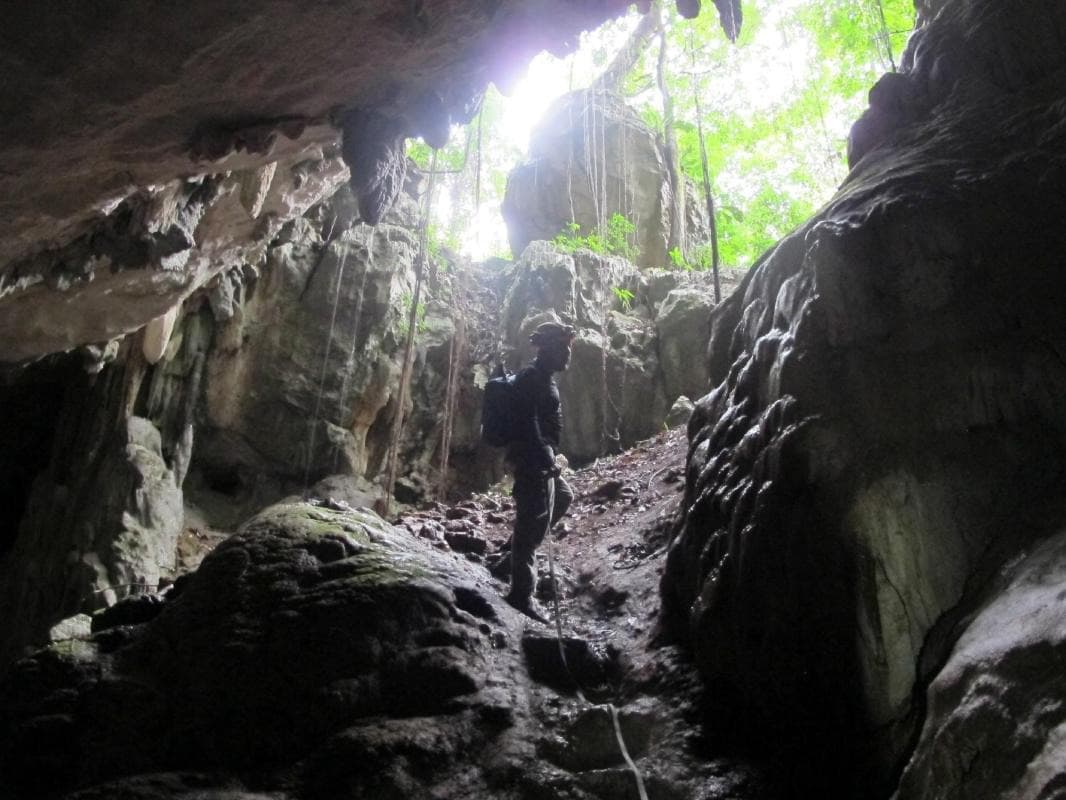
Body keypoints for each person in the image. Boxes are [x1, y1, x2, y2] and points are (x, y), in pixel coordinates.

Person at [504, 321, 576, 623]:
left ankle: (512, 558)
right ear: (547, 349)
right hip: (533, 461)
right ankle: (521, 594)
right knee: (531, 523)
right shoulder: (532, 377)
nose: (568, 354)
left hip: (542, 458)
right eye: (563, 348)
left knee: (562, 497)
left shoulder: (544, 377)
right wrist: (544, 454)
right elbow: (528, 420)